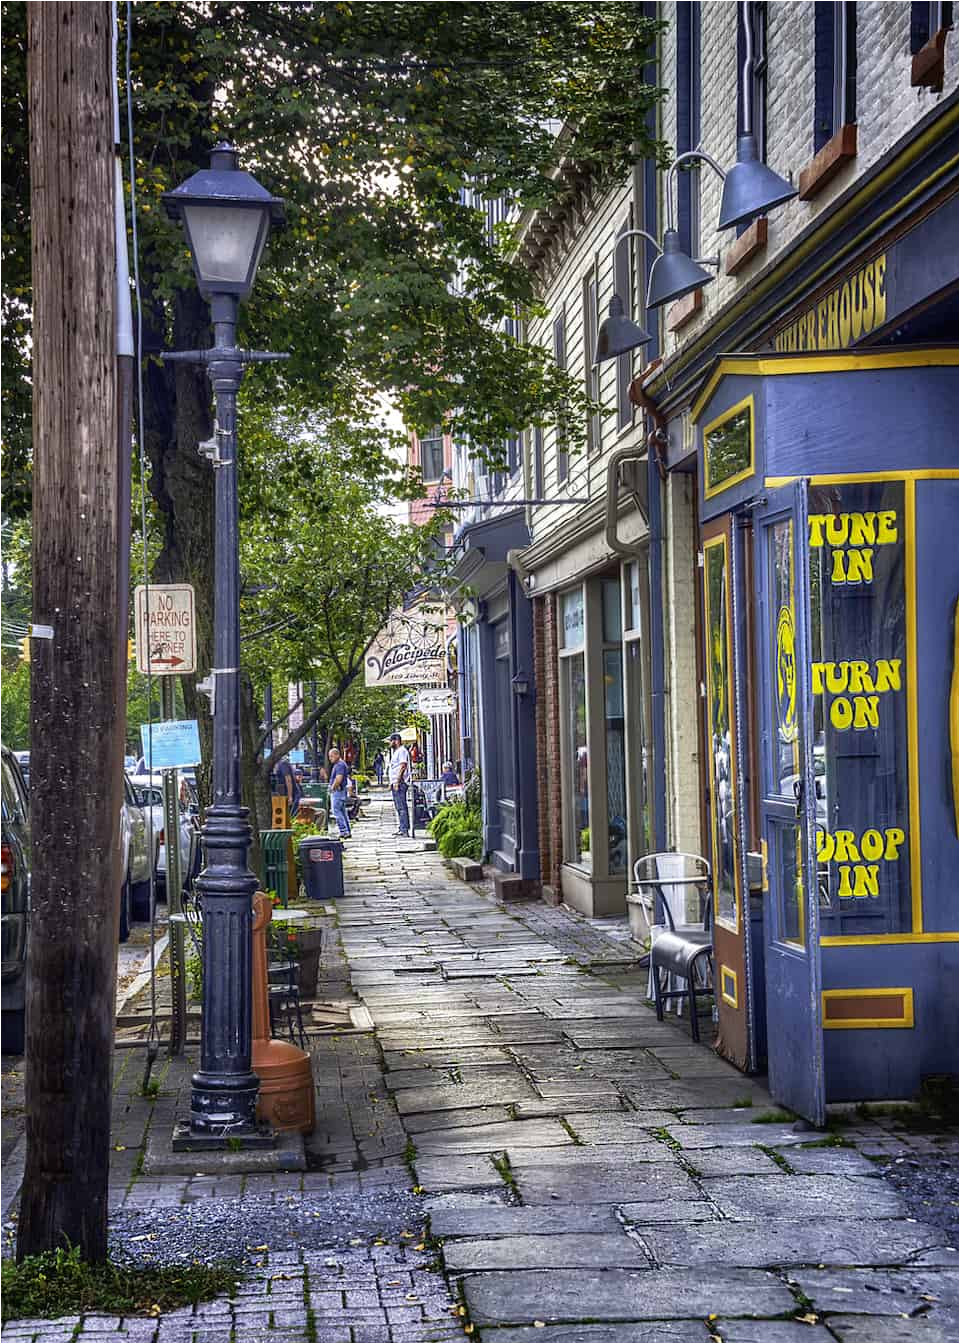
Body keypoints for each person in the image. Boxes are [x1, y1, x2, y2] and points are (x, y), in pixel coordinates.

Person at [387, 731, 411, 837]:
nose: (390, 744)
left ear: (396, 741)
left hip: (400, 783)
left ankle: (404, 828)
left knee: (401, 806)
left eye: (391, 741)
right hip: (396, 782)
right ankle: (402, 827)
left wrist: (397, 781)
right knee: (398, 806)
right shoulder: (397, 751)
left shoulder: (401, 751)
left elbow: (402, 766)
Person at [327, 746, 351, 839]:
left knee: (336, 811)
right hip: (340, 791)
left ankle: (343, 831)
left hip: (338, 791)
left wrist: (332, 788)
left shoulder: (340, 765)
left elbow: (338, 778)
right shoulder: (339, 764)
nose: (330, 758)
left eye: (331, 756)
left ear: (337, 755)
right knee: (342, 812)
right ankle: (347, 830)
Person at [275, 754, 302, 819]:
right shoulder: (281, 764)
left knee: (291, 816)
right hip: (288, 793)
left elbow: (288, 779)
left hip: (292, 794)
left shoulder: (283, 764)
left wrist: (290, 796)